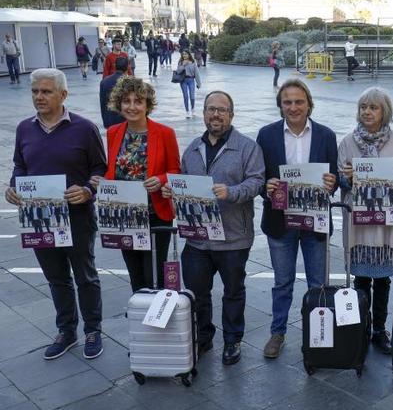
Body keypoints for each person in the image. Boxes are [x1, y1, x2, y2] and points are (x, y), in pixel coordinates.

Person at [5, 68, 107, 360]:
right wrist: (13, 188)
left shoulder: (84, 128)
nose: (39, 97)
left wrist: (88, 190)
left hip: (77, 216)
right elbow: (20, 165)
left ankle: (92, 329)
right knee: (56, 278)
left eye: (46, 92)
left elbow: (100, 169)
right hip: (40, 218)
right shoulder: (24, 128)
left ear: (63, 95)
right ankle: (66, 330)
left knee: (85, 276)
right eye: (35, 92)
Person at [162, 91, 266, 366]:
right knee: (198, 292)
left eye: (222, 110)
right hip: (197, 238)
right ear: (204, 113)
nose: (216, 115)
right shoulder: (193, 147)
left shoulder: (247, 147)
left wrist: (231, 192)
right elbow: (182, 181)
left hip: (233, 237)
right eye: (211, 109)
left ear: (231, 115)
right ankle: (204, 337)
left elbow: (257, 182)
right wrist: (171, 190)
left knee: (233, 291)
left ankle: (232, 340)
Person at [256, 78, 339, 359]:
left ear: (309, 105)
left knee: (318, 282)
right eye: (287, 102)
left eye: (299, 101)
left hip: (315, 221)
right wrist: (265, 187)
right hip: (280, 220)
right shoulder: (266, 135)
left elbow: (335, 178)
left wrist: (332, 183)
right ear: (280, 105)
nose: (293, 107)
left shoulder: (326, 135)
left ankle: (319, 333)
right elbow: (258, 177)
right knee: (282, 281)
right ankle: (277, 332)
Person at [338, 87, 393, 354]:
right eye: (363, 107)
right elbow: (339, 182)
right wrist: (346, 177)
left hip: (386, 222)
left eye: (373, 107)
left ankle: (379, 329)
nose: (367, 112)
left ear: (385, 112)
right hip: (358, 220)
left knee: (382, 279)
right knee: (359, 278)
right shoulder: (347, 141)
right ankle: (361, 327)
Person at [92, 76, 179, 294]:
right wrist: (103, 181)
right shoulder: (113, 133)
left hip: (154, 214)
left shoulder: (165, 133)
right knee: (135, 271)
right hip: (124, 215)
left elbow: (176, 171)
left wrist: (161, 179)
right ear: (118, 104)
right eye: (126, 101)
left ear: (147, 105)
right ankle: (141, 310)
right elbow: (112, 170)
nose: (132, 107)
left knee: (155, 272)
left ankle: (158, 313)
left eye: (138, 101)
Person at [99, 57, 130, 129]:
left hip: (110, 121)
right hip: (126, 121)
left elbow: (102, 103)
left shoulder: (104, 82)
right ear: (128, 67)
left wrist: (105, 121)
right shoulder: (130, 82)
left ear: (115, 66)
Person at [176, 50, 202, 118]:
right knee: (185, 96)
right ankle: (187, 111)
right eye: (183, 54)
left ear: (189, 55)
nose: (184, 55)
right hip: (183, 81)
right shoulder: (181, 62)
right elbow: (178, 71)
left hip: (191, 80)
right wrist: (183, 65)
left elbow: (197, 73)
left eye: (186, 54)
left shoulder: (193, 62)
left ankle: (193, 109)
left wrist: (199, 83)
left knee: (192, 95)